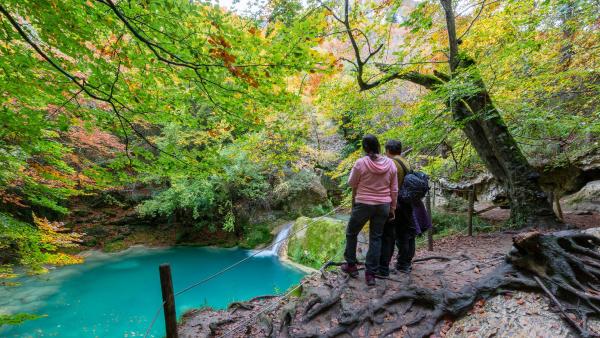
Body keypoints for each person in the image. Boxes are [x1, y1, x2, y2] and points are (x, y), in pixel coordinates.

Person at [341, 134, 398, 286]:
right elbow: (394, 189)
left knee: (352, 233)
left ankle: (351, 265)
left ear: (365, 148)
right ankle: (370, 274)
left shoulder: (360, 163)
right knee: (376, 237)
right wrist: (393, 207)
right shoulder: (391, 164)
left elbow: (351, 182)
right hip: (383, 205)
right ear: (379, 146)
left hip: (363, 204)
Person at [379, 139, 415, 275]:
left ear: (387, 150)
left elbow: (388, 185)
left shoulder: (391, 163)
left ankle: (384, 266)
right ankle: (404, 264)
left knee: (389, 235)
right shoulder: (405, 161)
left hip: (396, 202)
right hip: (407, 202)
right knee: (405, 234)